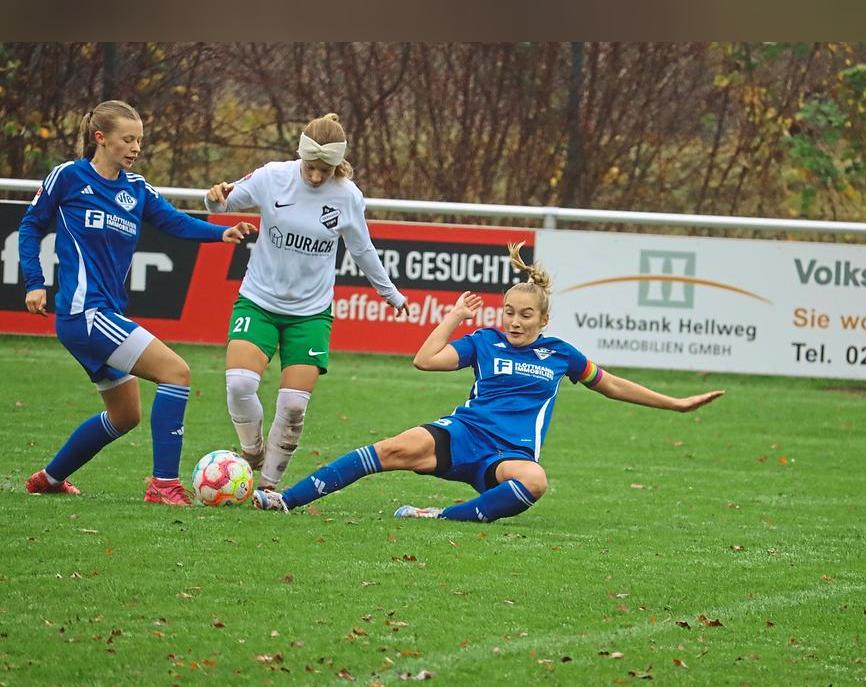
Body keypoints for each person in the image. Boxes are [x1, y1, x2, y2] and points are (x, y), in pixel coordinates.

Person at [251, 242, 726, 522]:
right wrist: (455, 316)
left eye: (525, 316)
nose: (515, 323)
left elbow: (614, 385)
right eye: (509, 313)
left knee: (535, 481)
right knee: (388, 449)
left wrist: (677, 404)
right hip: (462, 434)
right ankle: (284, 500)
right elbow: (425, 360)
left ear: (543, 319)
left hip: (508, 455)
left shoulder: (561, 355)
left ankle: (436, 516)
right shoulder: (485, 341)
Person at [19, 100, 257, 506]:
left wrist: (220, 234)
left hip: (103, 314)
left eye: (140, 140)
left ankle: (50, 478)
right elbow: (31, 225)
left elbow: (172, 220)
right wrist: (35, 283)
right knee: (177, 373)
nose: (135, 147)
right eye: (127, 139)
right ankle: (163, 485)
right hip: (85, 312)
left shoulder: (136, 188)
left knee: (125, 415)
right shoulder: (69, 177)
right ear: (101, 138)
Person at [204, 113, 408, 490]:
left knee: (294, 406)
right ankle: (251, 454)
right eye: (311, 168)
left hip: (310, 314)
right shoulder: (272, 177)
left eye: (325, 170)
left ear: (338, 164)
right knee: (239, 384)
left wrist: (389, 293)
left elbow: (362, 249)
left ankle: (266, 487)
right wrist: (213, 196)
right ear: (300, 157)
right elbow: (220, 204)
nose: (316, 177)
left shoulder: (348, 196)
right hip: (259, 301)